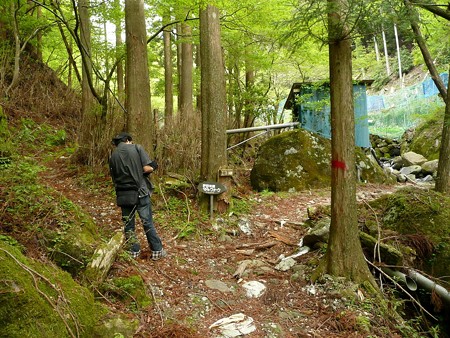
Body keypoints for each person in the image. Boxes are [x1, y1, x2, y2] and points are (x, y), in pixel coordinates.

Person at [109, 132, 166, 260]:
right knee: (147, 222)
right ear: (128, 140)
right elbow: (146, 168)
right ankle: (157, 251)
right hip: (140, 192)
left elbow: (114, 177)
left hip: (123, 195)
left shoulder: (113, 156)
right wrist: (154, 165)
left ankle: (133, 252)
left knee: (129, 224)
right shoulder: (136, 148)